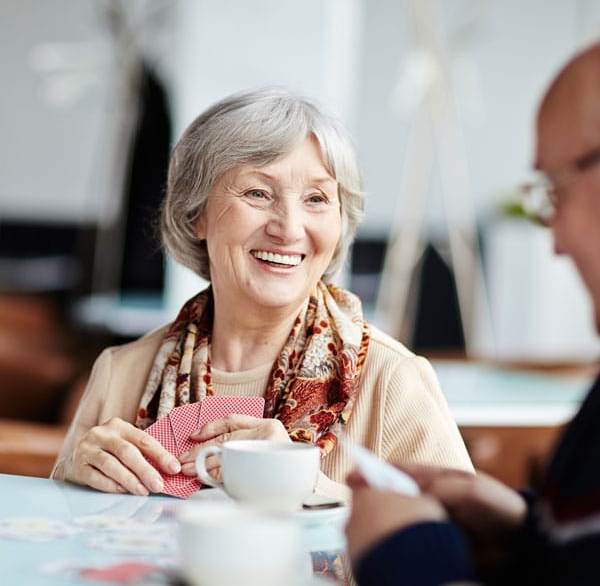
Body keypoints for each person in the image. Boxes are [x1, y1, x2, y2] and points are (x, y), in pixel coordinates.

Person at [51, 87, 472, 500]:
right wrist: (71, 480)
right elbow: (65, 549)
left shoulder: (391, 378)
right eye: (258, 193)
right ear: (196, 214)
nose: (288, 228)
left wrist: (307, 486)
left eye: (316, 198)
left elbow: (464, 545)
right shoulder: (120, 373)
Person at [345, 41, 600, 585]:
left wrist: (407, 554)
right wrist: (521, 525)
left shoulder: (393, 371)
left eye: (556, 190)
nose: (552, 241)